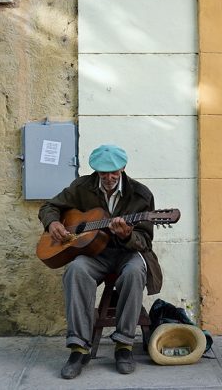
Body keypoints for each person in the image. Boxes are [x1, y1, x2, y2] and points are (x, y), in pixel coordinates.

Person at [38, 144, 162, 379]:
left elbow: (144, 241)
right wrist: (52, 223)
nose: (109, 177)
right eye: (103, 173)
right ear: (95, 170)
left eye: (114, 171)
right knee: (75, 270)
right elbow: (50, 206)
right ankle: (78, 348)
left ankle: (124, 345)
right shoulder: (82, 187)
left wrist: (126, 235)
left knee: (135, 272)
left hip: (127, 253)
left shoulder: (141, 195)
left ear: (123, 167)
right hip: (96, 254)